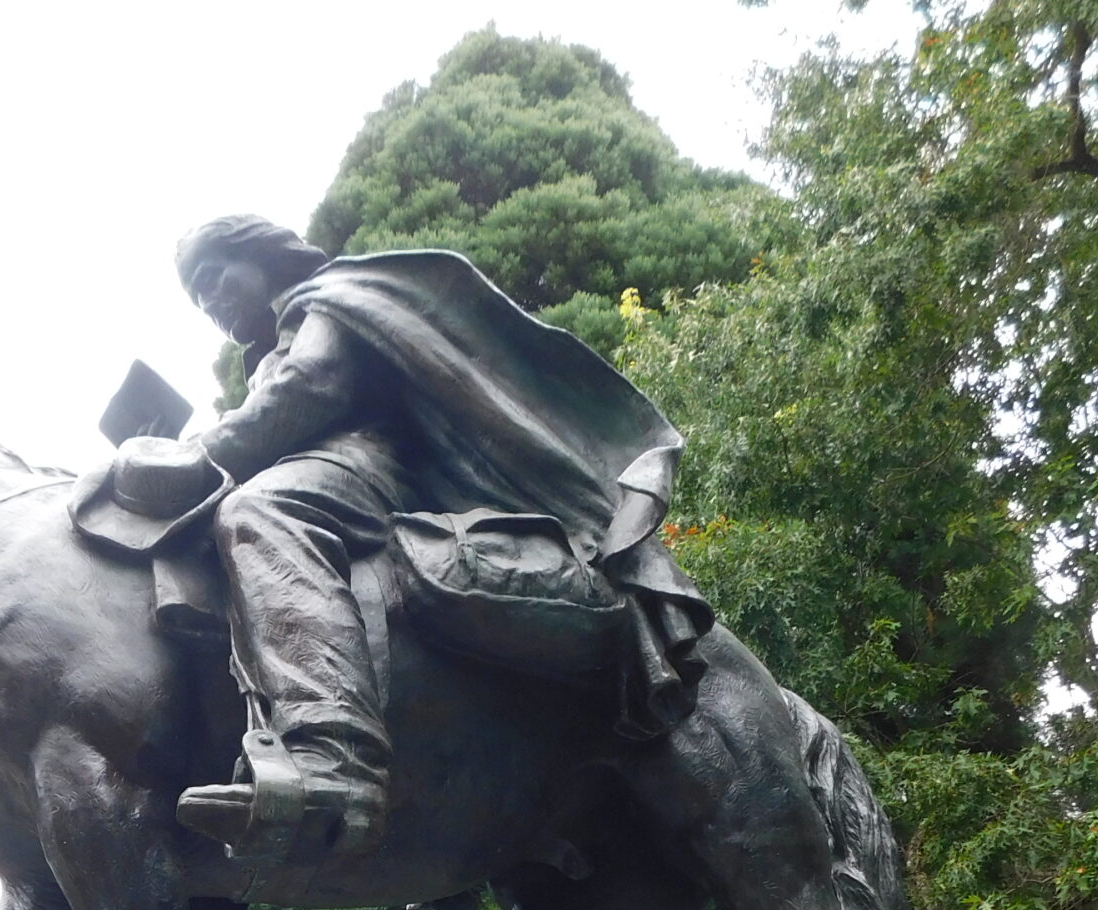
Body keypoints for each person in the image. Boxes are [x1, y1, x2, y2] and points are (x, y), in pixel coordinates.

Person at [115, 216, 713, 867]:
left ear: (260, 257)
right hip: (329, 468)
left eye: (214, 279)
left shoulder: (328, 299)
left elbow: (311, 388)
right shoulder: (270, 350)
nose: (213, 304)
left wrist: (197, 454)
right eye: (199, 300)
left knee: (260, 511)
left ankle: (332, 758)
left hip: (368, 470)